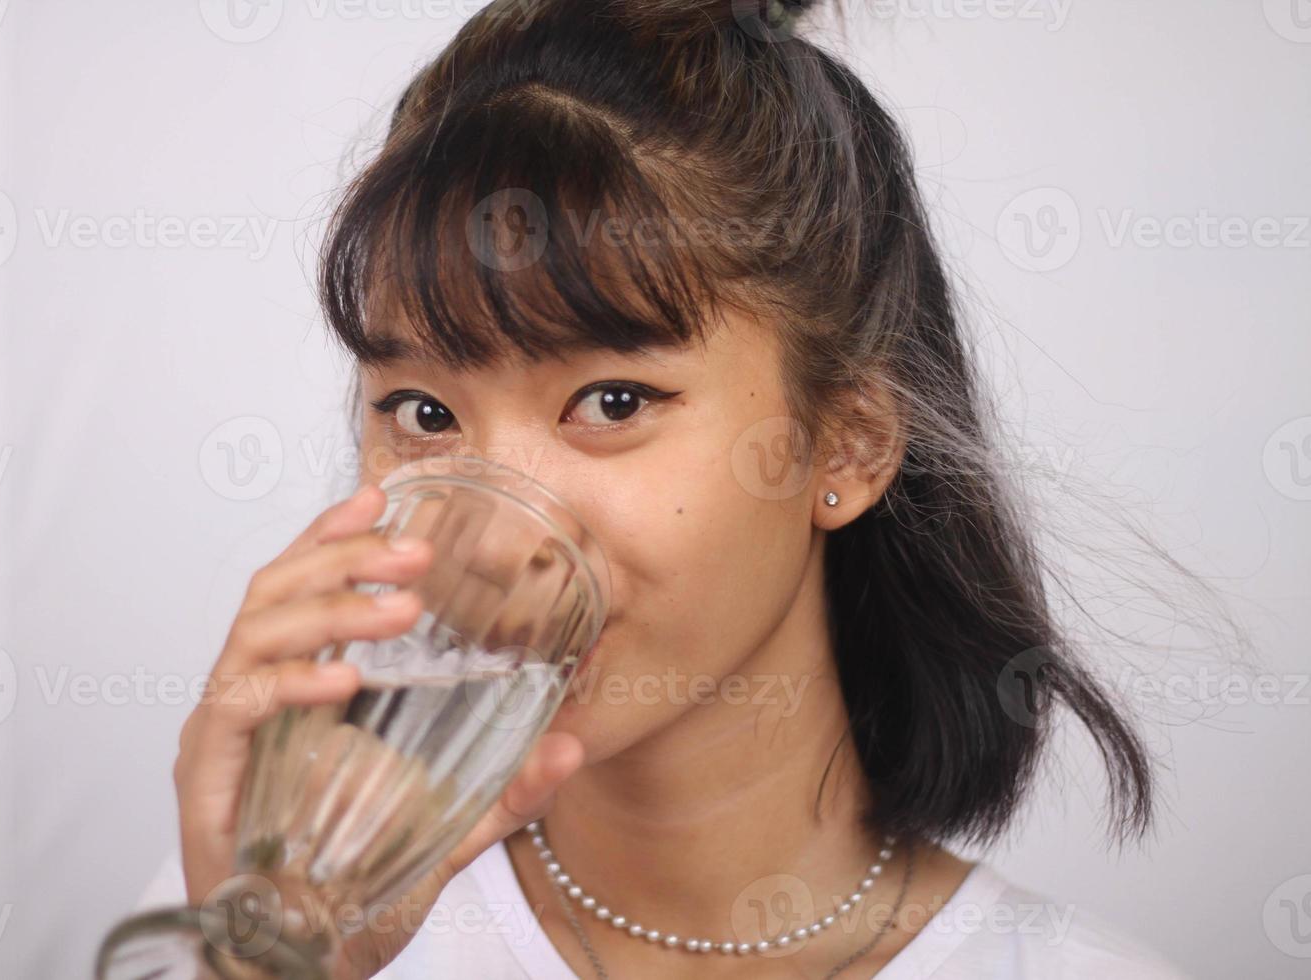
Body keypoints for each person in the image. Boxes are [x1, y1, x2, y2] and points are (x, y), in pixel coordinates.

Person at [145, 0, 1206, 975]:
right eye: (424, 414)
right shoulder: (262, 920)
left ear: (847, 445)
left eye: (611, 402)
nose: (490, 540)